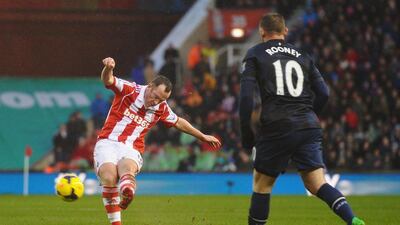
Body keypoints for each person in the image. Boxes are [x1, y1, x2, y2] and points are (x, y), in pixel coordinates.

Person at [239, 13, 365, 225]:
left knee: (262, 184)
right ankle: (352, 219)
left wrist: (247, 136)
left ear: (262, 32)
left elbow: (245, 99)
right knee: (317, 184)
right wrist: (308, 115)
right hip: (308, 124)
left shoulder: (255, 54)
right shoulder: (302, 54)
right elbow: (324, 93)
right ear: (285, 31)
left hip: (277, 125)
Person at [94, 57, 221, 225]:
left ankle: (127, 189)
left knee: (126, 170)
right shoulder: (130, 89)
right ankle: (122, 205)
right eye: (155, 96)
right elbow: (108, 80)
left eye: (161, 100)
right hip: (108, 141)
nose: (156, 101)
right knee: (109, 177)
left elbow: (179, 122)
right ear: (151, 86)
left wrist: (202, 136)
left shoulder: (161, 108)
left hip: (131, 148)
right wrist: (109, 68)